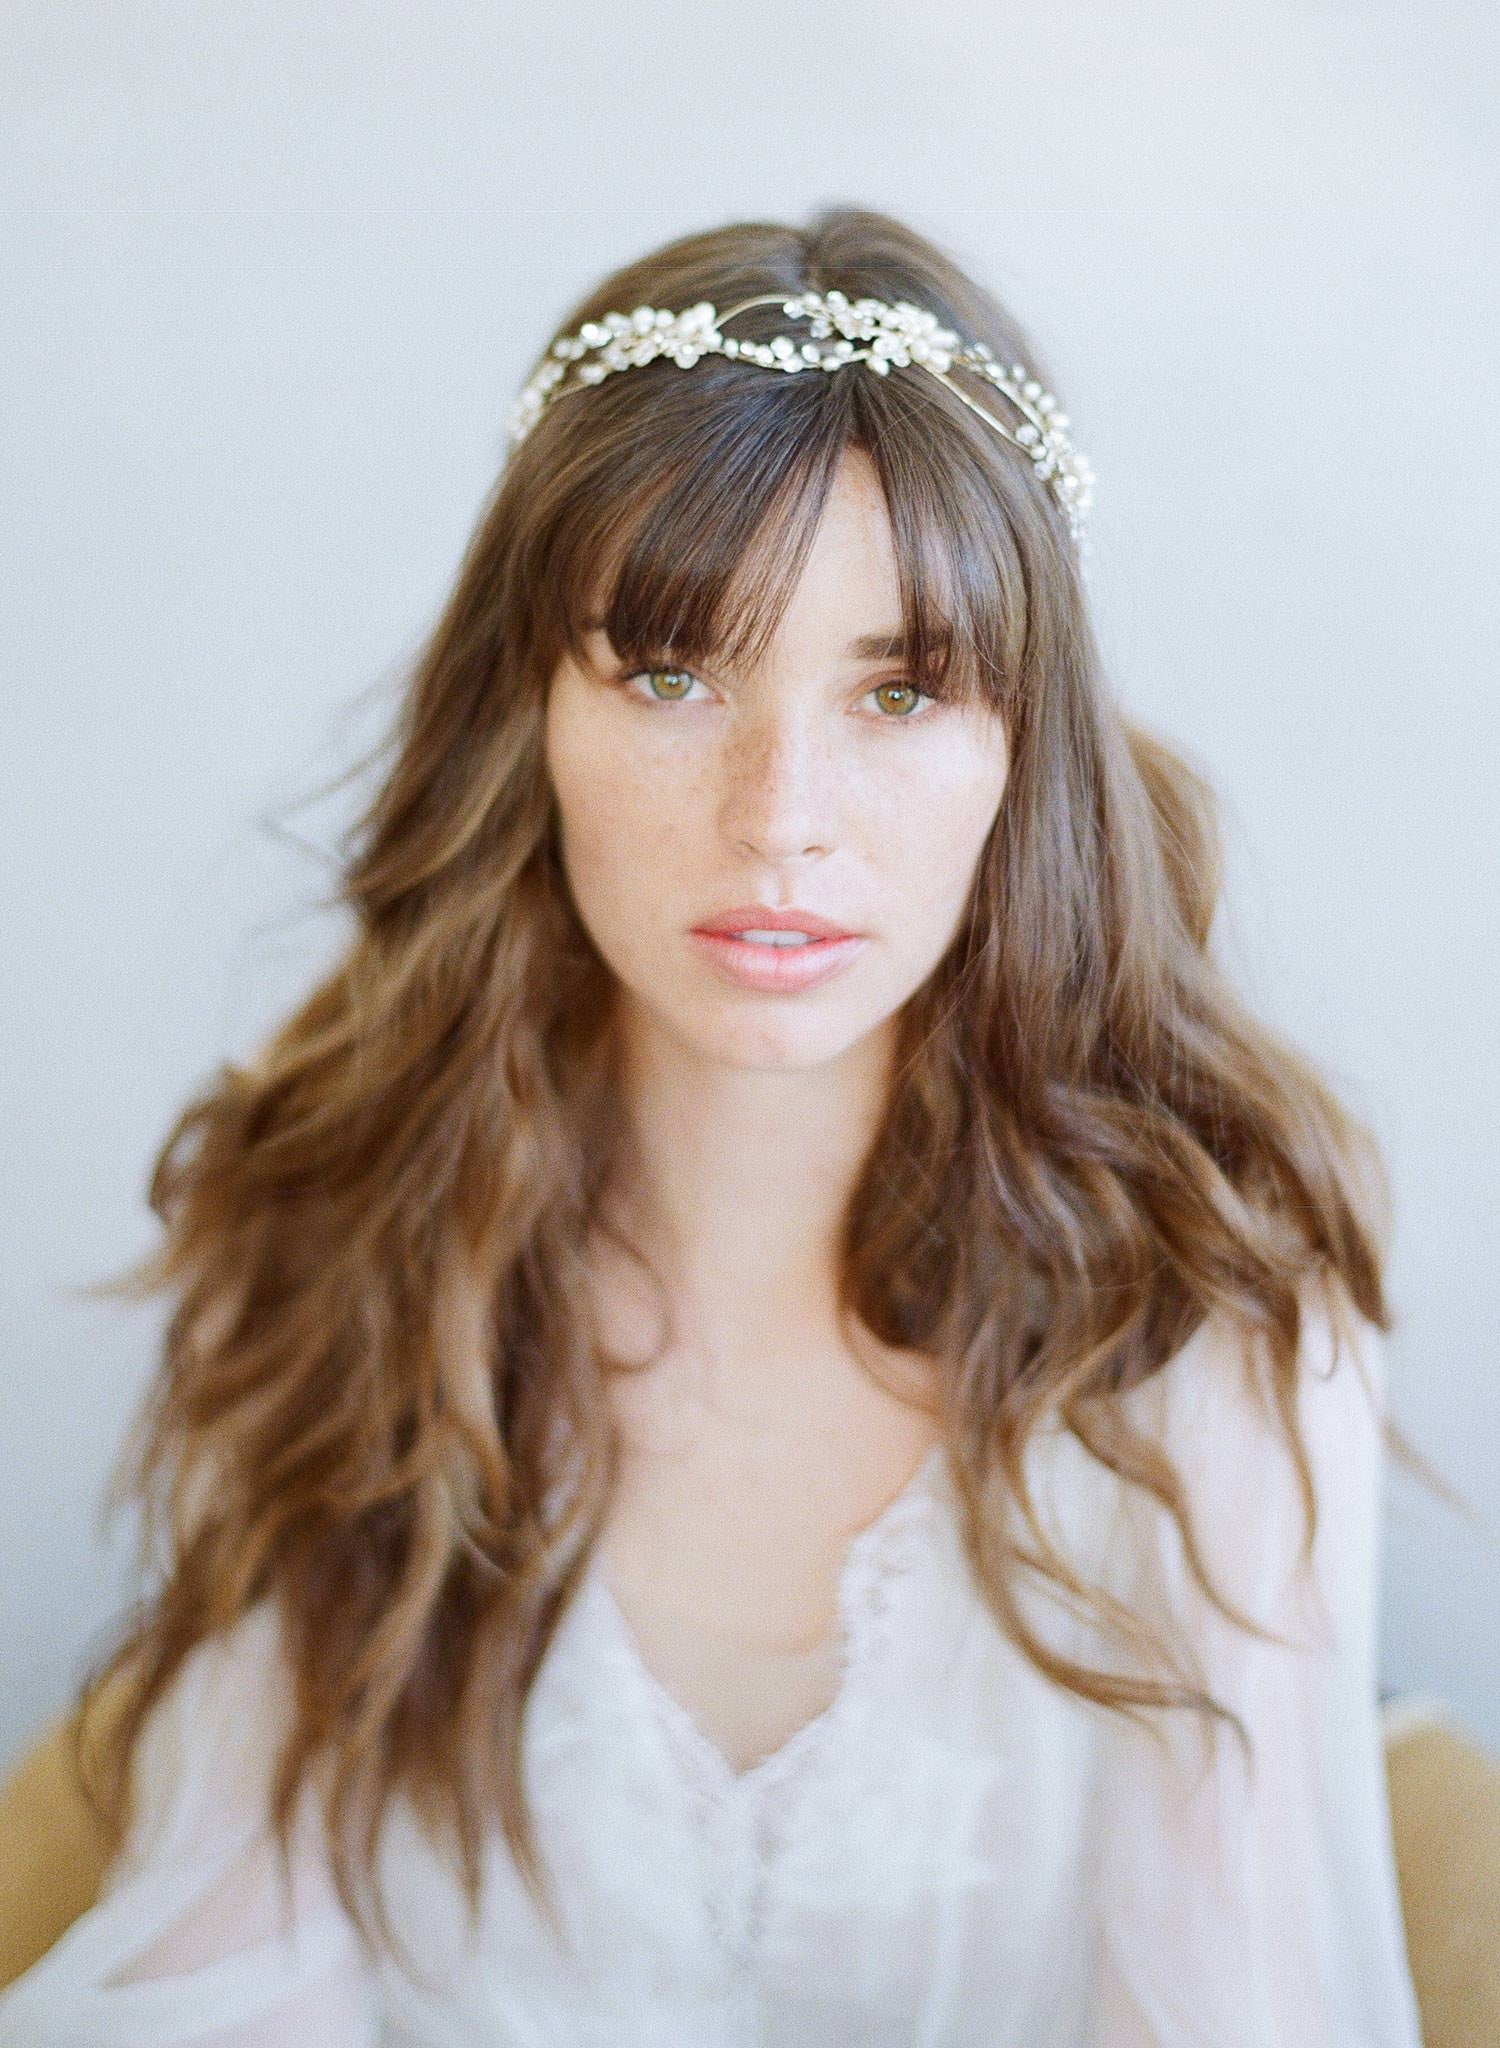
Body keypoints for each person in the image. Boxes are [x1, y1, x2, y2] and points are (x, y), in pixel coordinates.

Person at [0, 204, 1427, 2045]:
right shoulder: (331, 1215)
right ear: (531, 706)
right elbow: (238, 1958)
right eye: (671, 673)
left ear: (1024, 749)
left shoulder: (1207, 1315)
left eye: (899, 690)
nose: (782, 819)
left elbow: (1224, 2013)